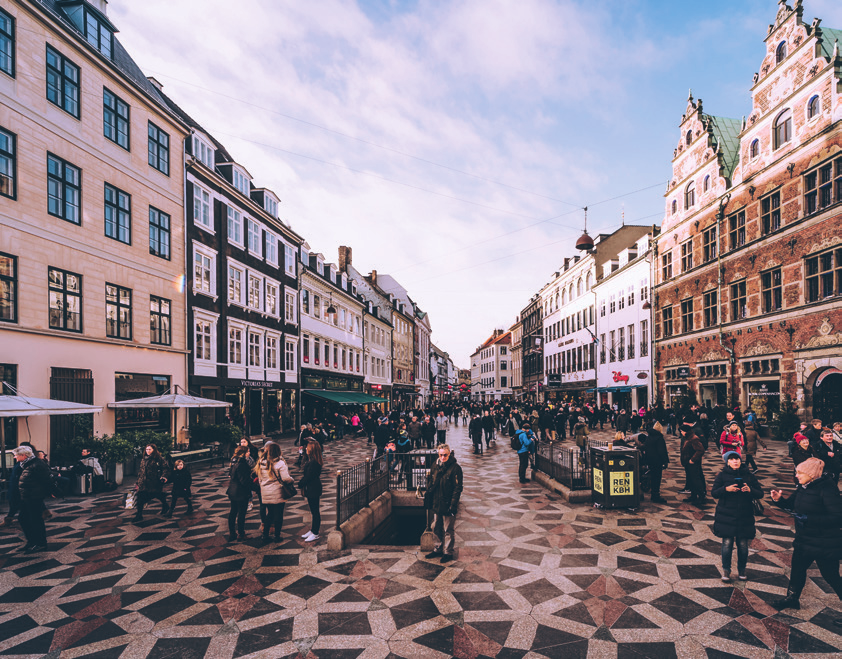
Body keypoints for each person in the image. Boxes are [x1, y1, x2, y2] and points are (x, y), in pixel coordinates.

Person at [770, 457, 842, 620]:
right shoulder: (803, 487)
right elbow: (791, 507)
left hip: (824, 542)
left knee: (831, 576)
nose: (797, 475)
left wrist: (809, 519)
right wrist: (779, 501)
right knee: (797, 569)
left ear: (812, 474)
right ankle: (792, 599)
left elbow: (838, 517)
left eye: (800, 472)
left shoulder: (827, 488)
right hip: (804, 539)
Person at [711, 451, 763, 582]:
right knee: (727, 544)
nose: (735, 461)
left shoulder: (749, 476)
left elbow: (760, 493)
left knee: (743, 545)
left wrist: (750, 490)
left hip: (744, 515)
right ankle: (726, 571)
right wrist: (725, 489)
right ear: (727, 462)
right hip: (726, 515)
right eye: (732, 459)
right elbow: (714, 493)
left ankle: (742, 570)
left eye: (737, 459)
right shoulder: (722, 476)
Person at [424, 443, 463, 563]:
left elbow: (457, 488)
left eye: (445, 455)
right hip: (437, 502)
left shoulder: (455, 468)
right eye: (440, 455)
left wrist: (453, 504)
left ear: (449, 454)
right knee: (436, 527)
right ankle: (438, 548)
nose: (442, 457)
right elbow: (431, 481)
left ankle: (448, 552)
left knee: (448, 529)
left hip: (447, 503)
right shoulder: (435, 466)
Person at [14, 446, 51, 554]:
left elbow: (46, 480)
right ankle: (32, 542)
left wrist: (47, 493)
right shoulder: (26, 464)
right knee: (23, 519)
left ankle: (40, 544)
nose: (15, 457)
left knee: (36, 520)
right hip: (27, 497)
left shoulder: (37, 464)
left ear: (24, 455)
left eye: (16, 455)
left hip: (35, 497)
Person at [254, 443, 293, 544]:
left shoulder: (261, 462)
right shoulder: (280, 463)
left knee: (269, 514)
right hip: (277, 492)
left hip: (265, 493)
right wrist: (291, 480)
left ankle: (265, 535)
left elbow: (259, 478)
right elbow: (285, 478)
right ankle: (277, 536)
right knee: (278, 515)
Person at [133, 444, 169, 523]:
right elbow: (141, 471)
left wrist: (163, 476)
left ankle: (165, 504)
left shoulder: (158, 459)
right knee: (140, 498)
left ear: (154, 450)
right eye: (146, 449)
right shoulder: (143, 459)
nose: (148, 451)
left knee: (156, 494)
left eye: (150, 449)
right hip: (143, 483)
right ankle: (139, 515)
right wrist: (138, 482)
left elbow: (165, 468)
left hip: (154, 482)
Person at [226, 446, 253, 541]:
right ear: (243, 453)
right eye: (248, 451)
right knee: (241, 513)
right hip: (241, 492)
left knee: (233, 512)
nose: (249, 453)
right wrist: (255, 487)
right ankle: (241, 533)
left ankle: (232, 533)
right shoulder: (242, 464)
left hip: (232, 490)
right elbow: (244, 481)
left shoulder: (234, 462)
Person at [299, 441, 324, 542]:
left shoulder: (314, 463)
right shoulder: (311, 460)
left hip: (314, 488)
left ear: (312, 449)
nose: (306, 449)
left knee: (315, 511)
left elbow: (309, 476)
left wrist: (300, 483)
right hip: (311, 488)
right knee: (313, 511)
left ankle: (315, 532)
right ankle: (313, 530)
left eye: (307, 448)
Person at [639, 422, 669, 504]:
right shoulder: (659, 438)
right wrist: (665, 461)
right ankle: (655, 495)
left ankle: (654, 493)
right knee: (657, 478)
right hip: (657, 461)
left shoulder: (649, 437)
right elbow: (662, 451)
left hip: (650, 460)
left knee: (653, 477)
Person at [680, 427, 707, 506]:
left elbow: (700, 450)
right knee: (691, 480)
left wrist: (693, 459)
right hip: (688, 463)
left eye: (681, 431)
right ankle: (693, 496)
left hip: (693, 463)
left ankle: (701, 497)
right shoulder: (688, 437)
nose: (681, 432)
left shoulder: (694, 439)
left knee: (696, 480)